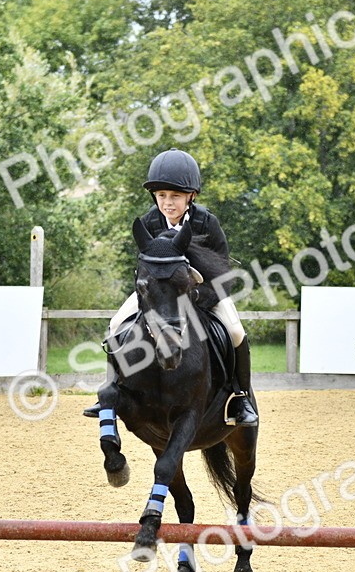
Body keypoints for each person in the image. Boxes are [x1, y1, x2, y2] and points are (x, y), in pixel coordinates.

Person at [83, 148, 259, 427]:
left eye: (175, 196)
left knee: (236, 331)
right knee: (116, 324)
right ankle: (112, 390)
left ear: (191, 196)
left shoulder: (206, 223)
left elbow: (224, 273)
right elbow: (143, 268)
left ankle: (240, 397)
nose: (167, 203)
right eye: (161, 195)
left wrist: (197, 297)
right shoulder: (149, 222)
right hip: (159, 296)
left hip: (205, 293)